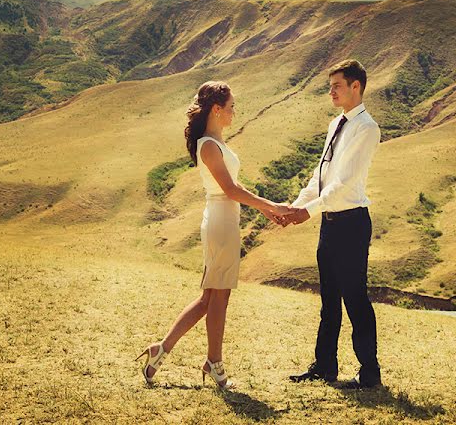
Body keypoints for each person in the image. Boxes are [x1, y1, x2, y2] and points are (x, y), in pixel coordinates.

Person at [136, 81, 293, 389]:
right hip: (221, 223)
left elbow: (233, 190)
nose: (234, 112)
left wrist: (264, 209)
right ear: (217, 110)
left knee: (211, 297)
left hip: (224, 220)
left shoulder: (214, 143)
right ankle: (214, 363)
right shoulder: (208, 145)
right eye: (231, 107)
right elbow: (231, 189)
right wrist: (270, 205)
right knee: (218, 297)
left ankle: (162, 351)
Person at [277, 60, 383, 389]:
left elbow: (345, 185)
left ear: (356, 87)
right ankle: (324, 367)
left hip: (351, 223)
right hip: (330, 223)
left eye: (337, 85)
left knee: (355, 299)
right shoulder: (335, 124)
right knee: (328, 300)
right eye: (331, 85)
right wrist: (295, 206)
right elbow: (321, 178)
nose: (331, 91)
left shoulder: (367, 128)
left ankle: (369, 373)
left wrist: (305, 213)